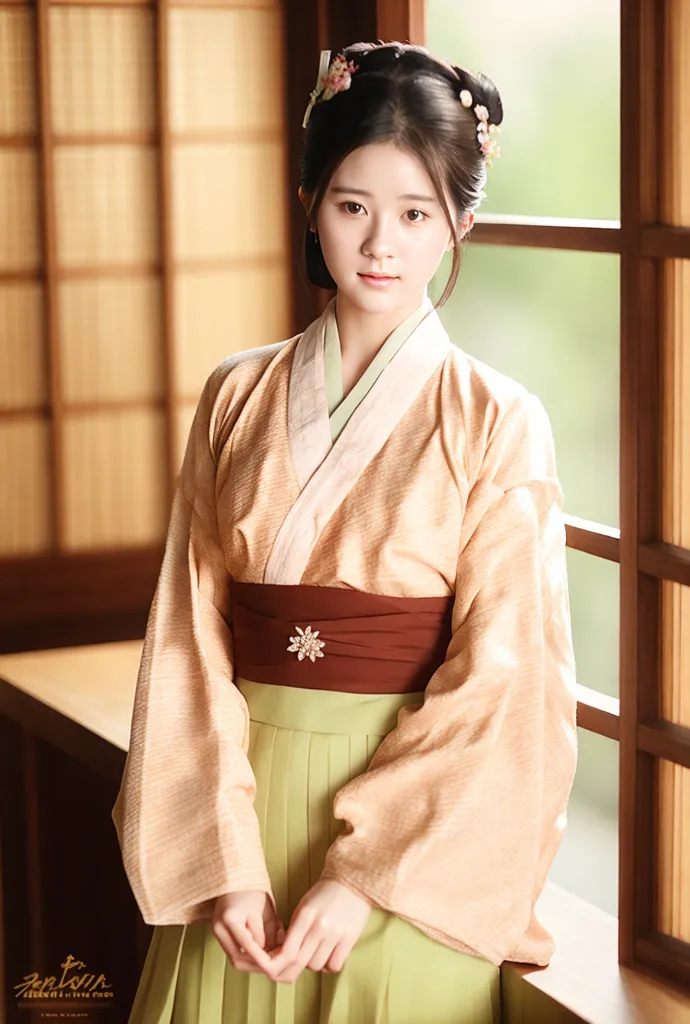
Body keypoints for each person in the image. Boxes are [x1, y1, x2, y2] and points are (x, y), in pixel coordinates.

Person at [112, 39, 578, 1024]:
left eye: (416, 215)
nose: (381, 244)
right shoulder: (237, 395)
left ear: (458, 223)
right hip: (239, 821)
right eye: (352, 205)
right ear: (308, 202)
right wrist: (218, 861)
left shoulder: (498, 419)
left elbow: (507, 680)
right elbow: (186, 645)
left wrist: (365, 876)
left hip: (413, 846)